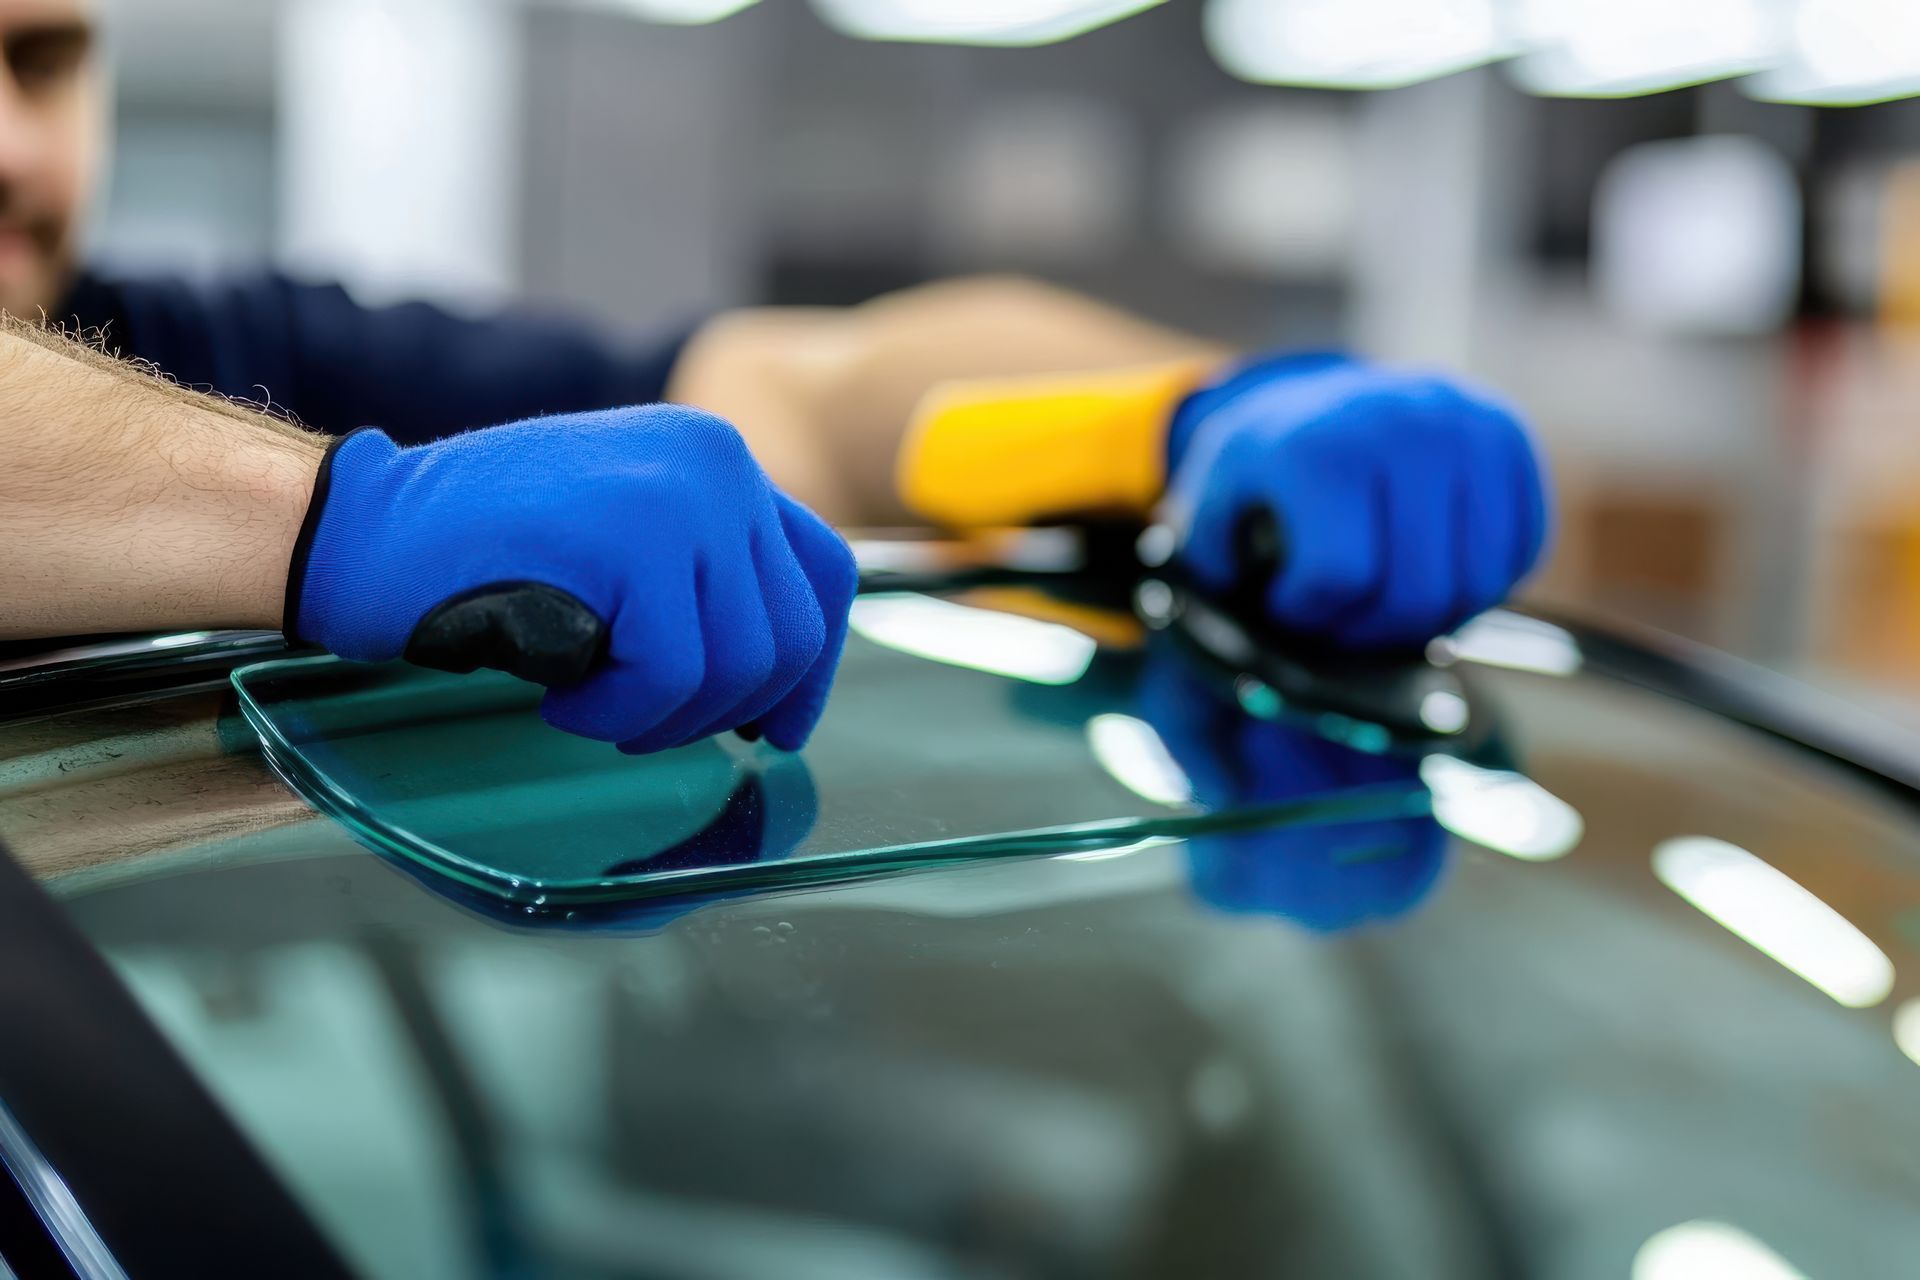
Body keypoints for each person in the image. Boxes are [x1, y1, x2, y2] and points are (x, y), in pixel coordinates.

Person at [0, 0, 1548, 755]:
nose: (15, 148)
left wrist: (1194, 422)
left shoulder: (223, 359)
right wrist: (322, 515)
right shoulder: (264, 451)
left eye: (43, 61)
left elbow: (816, 385)